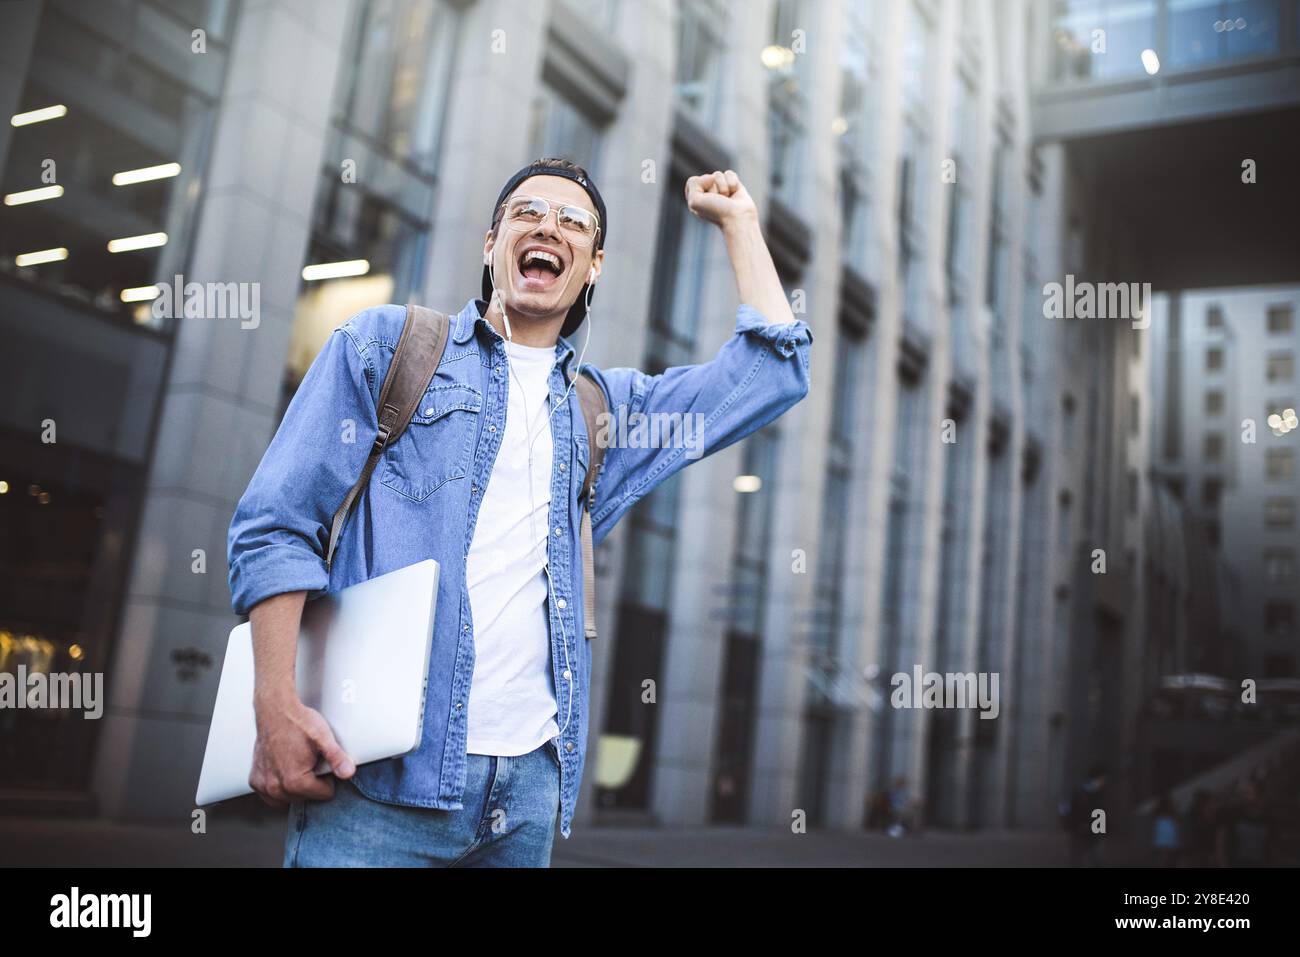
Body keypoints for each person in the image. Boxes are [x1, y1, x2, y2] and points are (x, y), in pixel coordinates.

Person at [226, 157, 813, 867]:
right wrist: (275, 702)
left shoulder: (604, 412)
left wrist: (741, 223)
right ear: (490, 243)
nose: (548, 227)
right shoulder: (387, 346)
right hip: (376, 784)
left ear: (592, 266)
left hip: (526, 799)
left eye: (574, 222)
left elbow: (772, 373)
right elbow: (277, 524)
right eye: (527, 212)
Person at [1062, 763, 1107, 867]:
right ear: (1097, 778)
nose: (1104, 782)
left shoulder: (1099, 792)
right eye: (1102, 779)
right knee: (1081, 858)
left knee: (1094, 858)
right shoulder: (1080, 792)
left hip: (1095, 831)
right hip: (1082, 831)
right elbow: (1071, 810)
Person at [1150, 792, 1181, 867]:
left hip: (1163, 833)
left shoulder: (1158, 810)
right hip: (1167, 833)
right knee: (1168, 856)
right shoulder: (1171, 808)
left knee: (1165, 856)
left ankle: (1165, 863)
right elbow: (1176, 820)